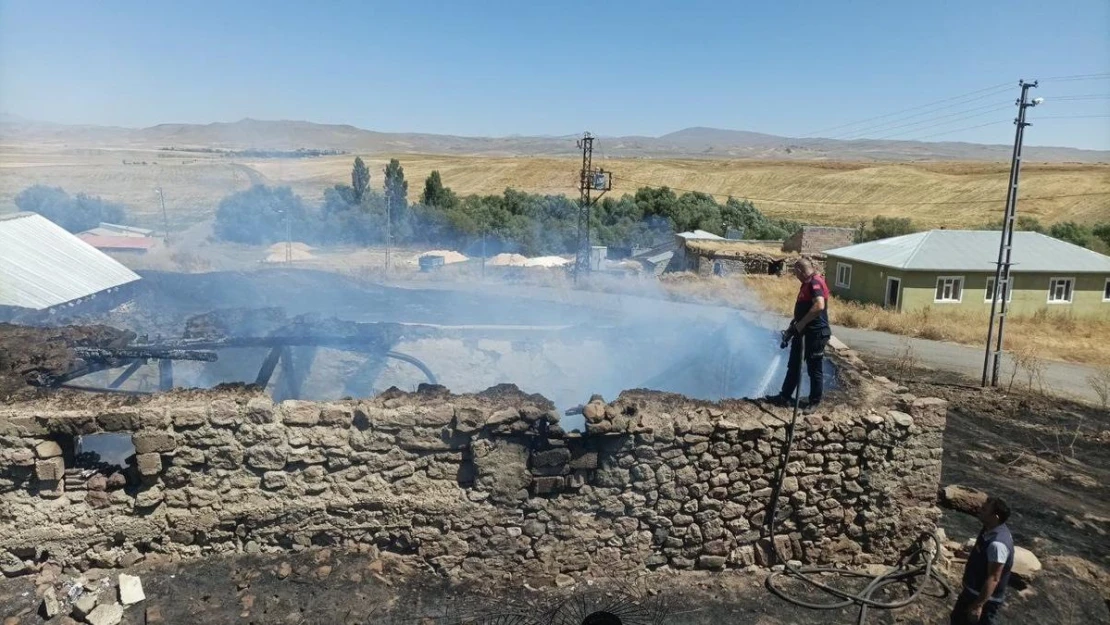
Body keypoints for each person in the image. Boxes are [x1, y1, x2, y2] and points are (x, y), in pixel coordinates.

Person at [764, 258, 831, 413]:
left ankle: (814, 402)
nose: (796, 276)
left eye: (796, 273)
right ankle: (785, 396)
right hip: (802, 332)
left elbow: (819, 305)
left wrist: (801, 324)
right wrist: (792, 329)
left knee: (814, 368)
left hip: (815, 333)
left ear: (800, 270)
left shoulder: (816, 282)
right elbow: (803, 311)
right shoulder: (806, 284)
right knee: (793, 365)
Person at [950, 497, 1015, 625]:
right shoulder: (988, 529)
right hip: (971, 593)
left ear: (995, 517)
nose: (980, 510)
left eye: (985, 509)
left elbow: (994, 578)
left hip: (983, 600)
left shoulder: (998, 544)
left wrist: (978, 606)